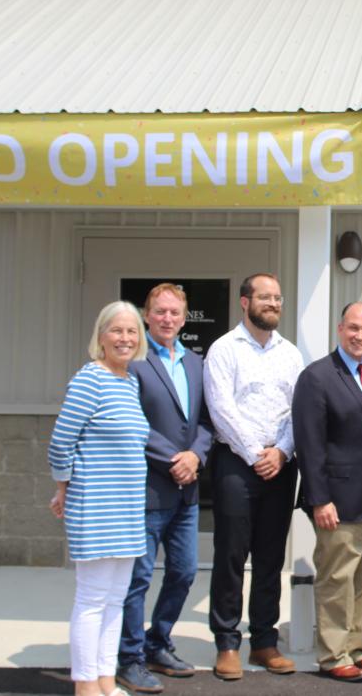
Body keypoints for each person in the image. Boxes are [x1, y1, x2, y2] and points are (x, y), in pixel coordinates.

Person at [293, 303, 362, 683]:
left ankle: (360, 647)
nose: (360, 336)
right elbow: (309, 445)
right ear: (340, 329)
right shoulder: (317, 377)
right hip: (337, 499)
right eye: (353, 328)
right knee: (337, 576)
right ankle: (333, 654)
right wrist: (318, 498)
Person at [203, 273, 304, 680]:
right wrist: (254, 454)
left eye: (278, 298)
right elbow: (220, 408)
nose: (274, 304)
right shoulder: (224, 349)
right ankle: (227, 642)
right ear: (244, 302)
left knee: (270, 557)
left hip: (281, 465)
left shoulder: (291, 354)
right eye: (265, 297)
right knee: (230, 556)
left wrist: (280, 452)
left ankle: (264, 641)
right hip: (235, 464)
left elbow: (300, 411)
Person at [48, 301, 150, 696]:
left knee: (115, 600)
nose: (125, 338)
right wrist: (62, 486)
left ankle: (106, 679)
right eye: (117, 331)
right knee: (92, 600)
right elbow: (61, 442)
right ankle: (85, 685)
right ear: (101, 337)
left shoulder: (128, 382)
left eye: (131, 332)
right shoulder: (90, 379)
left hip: (126, 509)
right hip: (95, 508)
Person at [117, 284, 213, 694]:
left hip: (186, 491)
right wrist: (175, 459)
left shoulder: (196, 362)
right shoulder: (132, 362)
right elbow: (132, 423)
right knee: (137, 578)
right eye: (160, 312)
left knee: (183, 572)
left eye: (175, 312)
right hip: (148, 489)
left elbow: (208, 421)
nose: (168, 319)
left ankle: (159, 641)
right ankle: (129, 658)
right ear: (147, 314)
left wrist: (196, 457)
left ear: (184, 316)